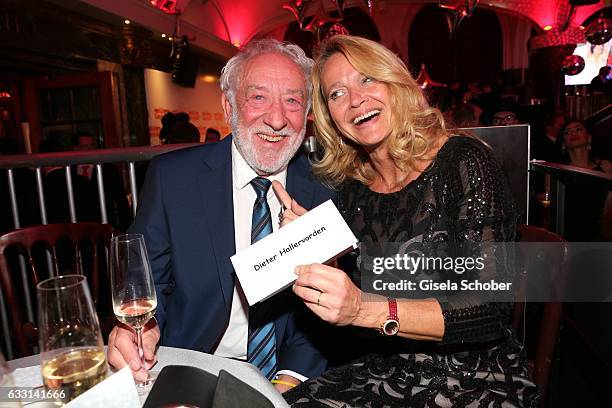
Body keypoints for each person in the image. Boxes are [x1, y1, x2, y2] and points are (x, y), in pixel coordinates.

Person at [275, 35, 537, 407]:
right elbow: (360, 292)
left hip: (471, 375)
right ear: (329, 116)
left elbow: (488, 309)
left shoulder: (464, 163)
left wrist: (365, 309)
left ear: (395, 83)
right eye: (336, 93)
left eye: (367, 79)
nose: (355, 100)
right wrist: (316, 248)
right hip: (382, 368)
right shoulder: (353, 191)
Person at [107, 39, 334, 392]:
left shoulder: (326, 190)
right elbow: (147, 282)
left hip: (287, 376)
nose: (277, 120)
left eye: (292, 100)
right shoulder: (173, 179)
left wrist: (289, 381)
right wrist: (143, 327)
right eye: (258, 97)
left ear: (306, 114)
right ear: (228, 106)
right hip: (192, 367)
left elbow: (326, 316)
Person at [554, 120, 611, 241]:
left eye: (578, 129)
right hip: (566, 238)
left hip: (599, 238)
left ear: (589, 138)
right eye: (567, 132)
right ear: (563, 143)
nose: (573, 133)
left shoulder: (605, 168)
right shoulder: (557, 171)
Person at [71, 131, 131, 231]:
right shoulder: (69, 171)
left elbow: (120, 199)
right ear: (75, 149)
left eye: (92, 145)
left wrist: (124, 228)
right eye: (85, 146)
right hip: (78, 227)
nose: (90, 149)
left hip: (105, 225)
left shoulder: (107, 169)